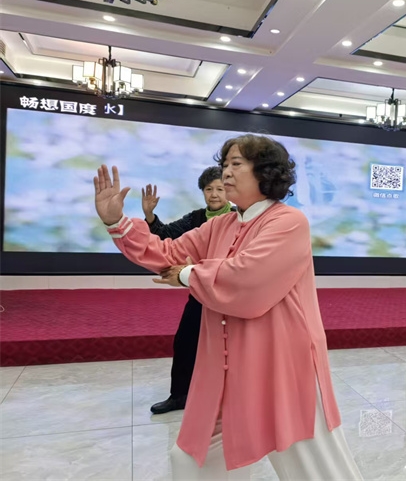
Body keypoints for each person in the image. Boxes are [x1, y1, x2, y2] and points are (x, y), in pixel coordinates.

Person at [93, 134, 362, 480]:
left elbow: (248, 280)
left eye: (237, 164)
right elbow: (168, 252)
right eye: (225, 165)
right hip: (226, 369)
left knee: (314, 467)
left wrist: (187, 274)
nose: (227, 173)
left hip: (283, 363)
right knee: (191, 459)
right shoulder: (220, 224)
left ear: (265, 172)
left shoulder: (289, 221)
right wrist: (117, 223)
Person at [143, 166, 233, 414]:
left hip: (230, 294)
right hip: (200, 291)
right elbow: (165, 235)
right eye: (209, 189)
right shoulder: (196, 219)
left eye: (220, 189)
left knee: (232, 348)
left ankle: (231, 398)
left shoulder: (238, 218)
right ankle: (180, 396)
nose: (214, 194)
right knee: (185, 341)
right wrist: (150, 216)